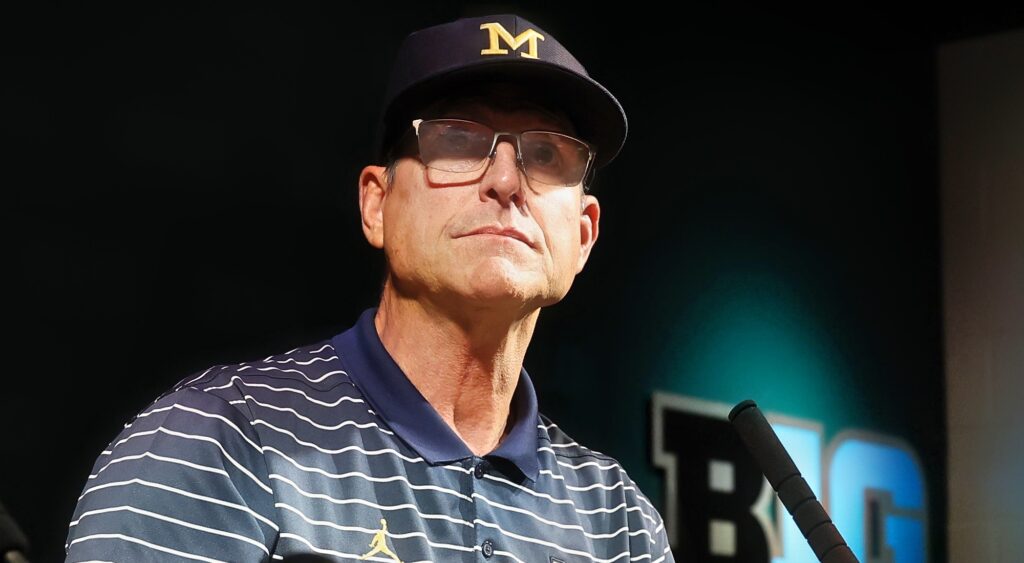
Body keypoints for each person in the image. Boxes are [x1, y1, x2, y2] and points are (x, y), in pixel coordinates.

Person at [65, 13, 675, 562]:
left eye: (547, 155)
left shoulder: (619, 523)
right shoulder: (219, 441)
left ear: (585, 235)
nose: (507, 180)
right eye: (457, 141)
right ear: (376, 205)